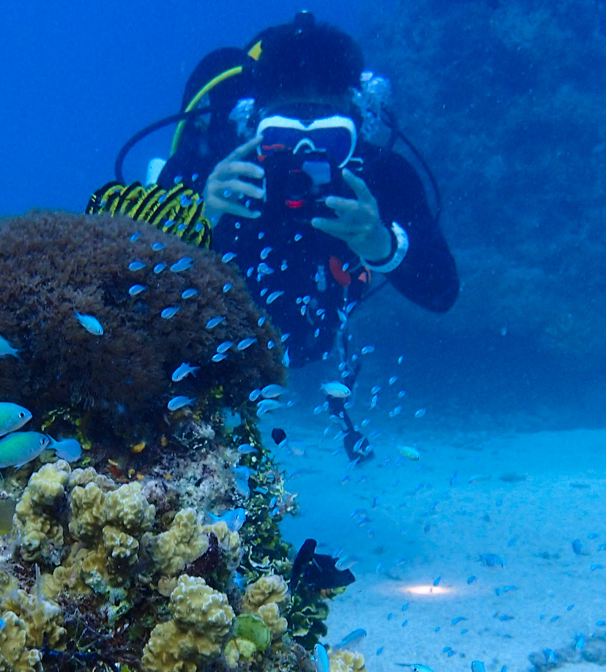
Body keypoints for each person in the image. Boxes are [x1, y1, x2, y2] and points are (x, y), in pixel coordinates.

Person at [151, 12, 459, 460]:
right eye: (282, 139)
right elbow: (134, 272)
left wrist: (382, 243)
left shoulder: (381, 176)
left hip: (315, 335)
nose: (306, 158)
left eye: (331, 141)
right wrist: (197, 214)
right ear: (256, 124)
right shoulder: (216, 165)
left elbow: (443, 290)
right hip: (223, 341)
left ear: (357, 127)